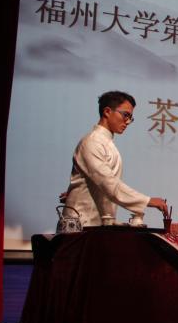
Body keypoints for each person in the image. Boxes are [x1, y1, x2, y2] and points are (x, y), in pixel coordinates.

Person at [61, 91, 168, 226]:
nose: (128, 121)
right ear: (107, 111)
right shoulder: (92, 142)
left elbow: (104, 184)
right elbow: (109, 184)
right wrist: (147, 200)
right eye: (125, 115)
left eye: (130, 118)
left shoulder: (106, 143)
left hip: (96, 225)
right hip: (79, 225)